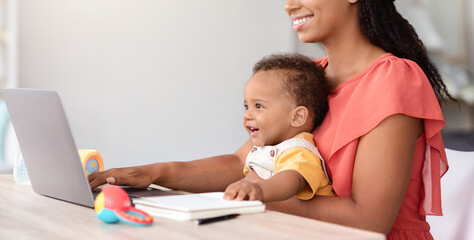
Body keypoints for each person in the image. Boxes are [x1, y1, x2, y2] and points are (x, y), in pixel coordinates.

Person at [88, 0, 453, 239]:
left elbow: (368, 221)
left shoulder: (393, 78)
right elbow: (239, 162)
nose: (289, 4)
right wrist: (153, 174)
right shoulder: (309, 78)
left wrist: (248, 195)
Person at [223, 53, 334, 202]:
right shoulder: (267, 146)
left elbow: (290, 182)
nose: (247, 115)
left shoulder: (299, 151)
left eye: (259, 106)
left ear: (297, 117)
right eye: (246, 106)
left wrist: (259, 191)